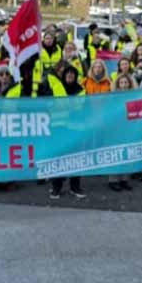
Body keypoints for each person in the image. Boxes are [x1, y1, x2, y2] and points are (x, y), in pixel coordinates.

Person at [49, 65, 87, 199]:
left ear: (76, 76)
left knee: (76, 158)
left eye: (72, 73)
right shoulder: (56, 87)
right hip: (58, 127)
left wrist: (66, 106)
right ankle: (56, 187)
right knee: (58, 157)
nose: (70, 75)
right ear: (64, 75)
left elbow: (80, 107)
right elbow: (49, 103)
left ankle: (75, 186)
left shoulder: (81, 90)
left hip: (76, 128)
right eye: (67, 73)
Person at [107, 73, 137, 192]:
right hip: (116, 129)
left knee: (127, 154)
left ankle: (124, 179)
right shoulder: (113, 97)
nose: (124, 85)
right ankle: (113, 180)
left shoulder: (134, 96)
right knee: (116, 154)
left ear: (129, 84)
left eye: (126, 82)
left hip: (129, 129)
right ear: (118, 84)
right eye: (121, 83)